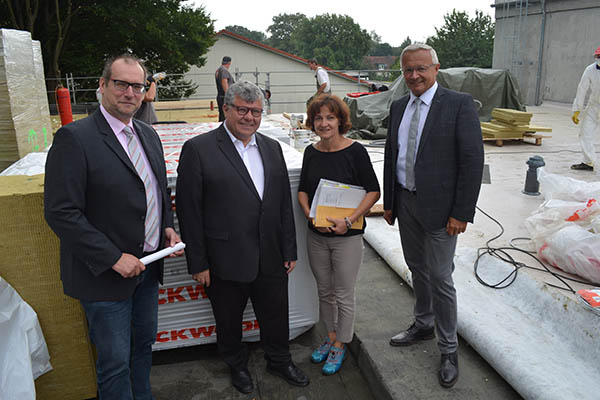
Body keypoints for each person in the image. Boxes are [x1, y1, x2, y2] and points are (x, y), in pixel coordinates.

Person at [44, 54, 183, 399]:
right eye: (121, 83)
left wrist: (166, 226)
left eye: (137, 86)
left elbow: (156, 190)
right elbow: (61, 212)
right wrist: (111, 257)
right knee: (115, 362)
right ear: (102, 86)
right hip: (105, 278)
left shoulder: (148, 134)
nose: (130, 93)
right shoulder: (75, 139)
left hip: (148, 270)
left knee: (142, 349)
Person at [176, 80, 309, 394]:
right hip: (224, 258)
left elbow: (281, 206)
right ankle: (237, 365)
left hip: (271, 255)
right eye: (243, 110)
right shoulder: (198, 149)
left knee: (276, 314)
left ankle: (279, 359)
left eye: (256, 111)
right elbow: (189, 211)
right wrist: (198, 262)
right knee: (228, 319)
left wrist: (288, 248)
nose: (250, 117)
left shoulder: (271, 147)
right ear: (226, 108)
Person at [383, 43, 484, 388]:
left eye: (421, 69)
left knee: (441, 276)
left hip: (443, 212)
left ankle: (448, 348)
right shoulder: (398, 107)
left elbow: (472, 162)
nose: (414, 76)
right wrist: (391, 202)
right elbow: (391, 155)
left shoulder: (458, 105)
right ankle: (423, 323)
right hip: (407, 203)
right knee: (417, 268)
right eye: (408, 70)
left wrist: (461, 212)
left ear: (436, 68)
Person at [298, 94, 380, 375]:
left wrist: (350, 219)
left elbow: (373, 191)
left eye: (330, 117)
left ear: (340, 121)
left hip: (347, 237)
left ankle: (341, 343)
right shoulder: (311, 152)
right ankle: (330, 336)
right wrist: (311, 214)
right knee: (324, 290)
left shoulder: (356, 152)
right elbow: (302, 191)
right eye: (318, 118)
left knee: (344, 293)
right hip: (317, 235)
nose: (324, 123)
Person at [571, 46, 600, 171]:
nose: (598, 59)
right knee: (585, 133)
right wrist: (577, 109)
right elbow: (582, 88)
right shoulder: (590, 69)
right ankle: (588, 162)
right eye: (598, 57)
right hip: (594, 105)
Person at [215, 56, 234, 121]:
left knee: (222, 116)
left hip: (221, 96)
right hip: (224, 97)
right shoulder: (224, 70)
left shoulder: (219, 70)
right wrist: (228, 96)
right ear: (229, 63)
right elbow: (224, 83)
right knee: (225, 117)